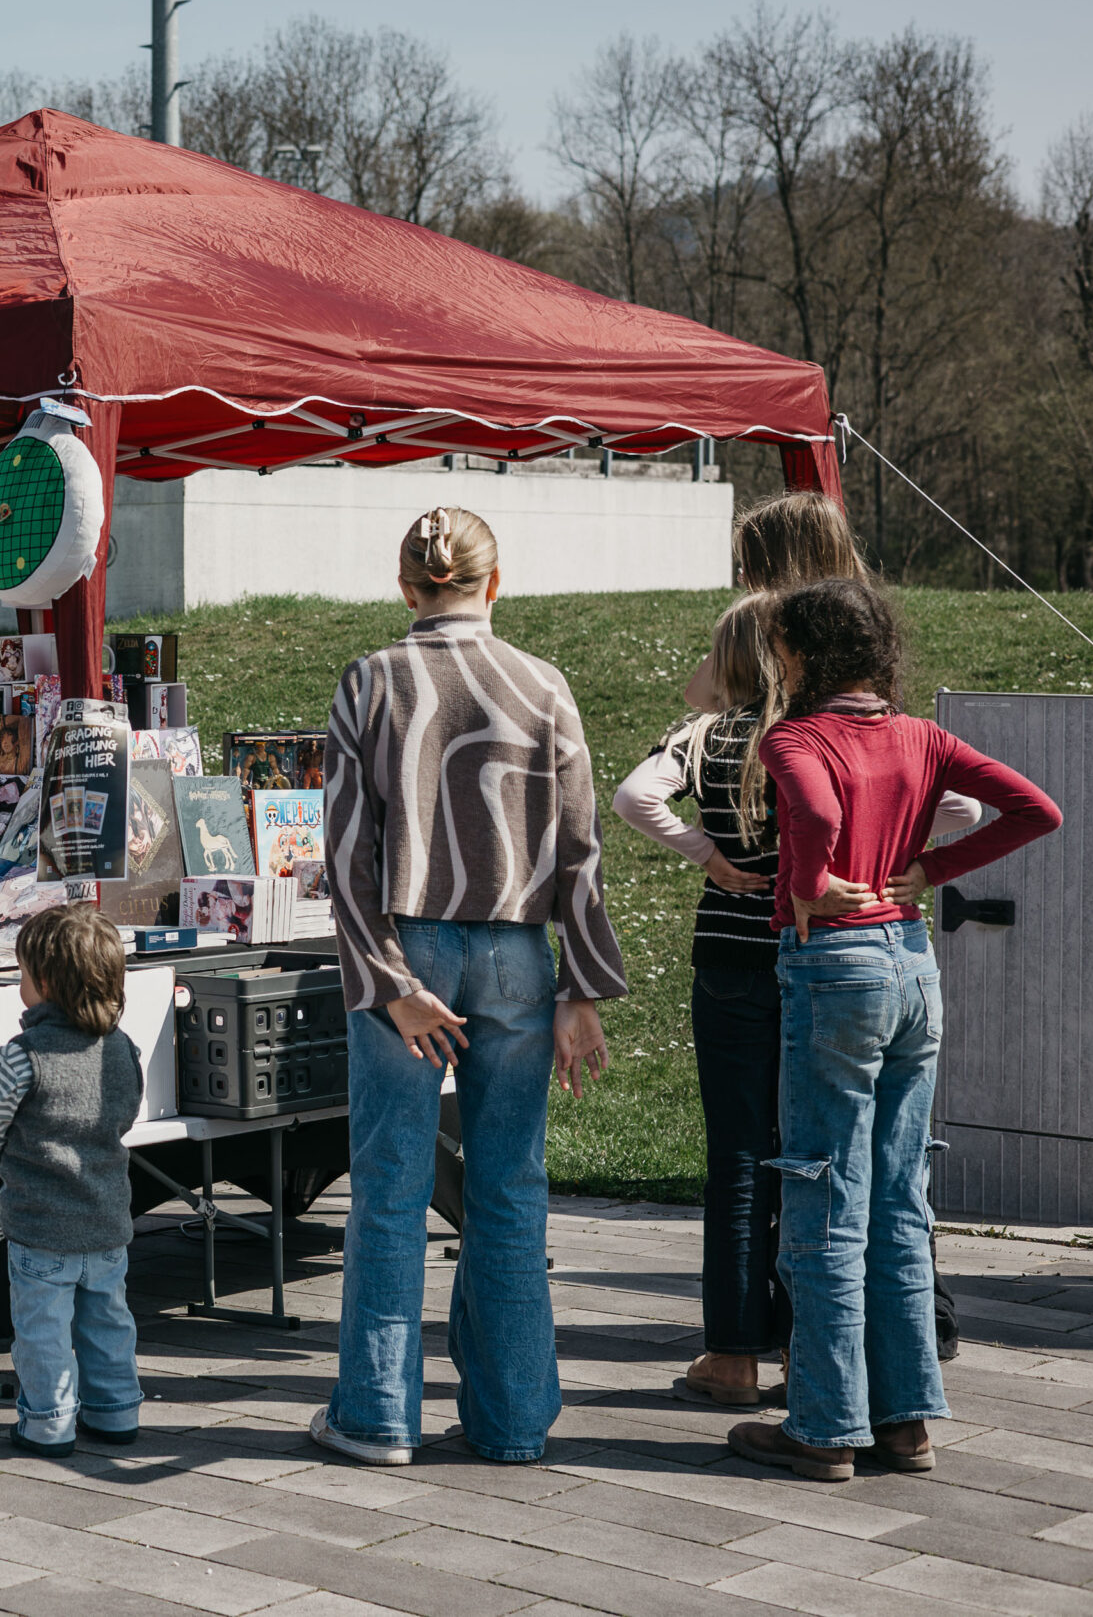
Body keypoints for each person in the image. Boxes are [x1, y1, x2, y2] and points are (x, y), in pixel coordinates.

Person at [727, 579, 1059, 1482]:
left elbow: (817, 812)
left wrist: (810, 880)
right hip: (913, 963)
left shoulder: (794, 736)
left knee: (825, 1195)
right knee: (900, 1200)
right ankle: (906, 1422)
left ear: (802, 654)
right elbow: (1038, 809)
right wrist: (934, 869)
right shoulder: (922, 736)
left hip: (835, 969)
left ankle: (824, 1426)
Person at [615, 595, 983, 1406]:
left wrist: (706, 854)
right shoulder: (825, 735)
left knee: (739, 1154)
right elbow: (961, 805)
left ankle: (732, 1353)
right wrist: (898, 855)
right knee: (819, 1155)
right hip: (828, 948)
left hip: (731, 956)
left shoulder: (708, 735)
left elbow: (634, 797)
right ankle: (807, 1348)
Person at [316, 506, 625, 1467]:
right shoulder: (544, 683)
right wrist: (581, 987)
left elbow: (345, 855)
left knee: (391, 1183)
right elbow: (580, 848)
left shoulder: (369, 680)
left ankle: (377, 1416)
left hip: (406, 946)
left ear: (406, 586)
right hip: (519, 953)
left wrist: (389, 982)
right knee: (510, 1184)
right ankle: (514, 1420)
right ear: (494, 583)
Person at [0, 903, 145, 1457]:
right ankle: (116, 1411)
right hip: (107, 1219)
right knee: (108, 1322)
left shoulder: (22, 1056)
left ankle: (47, 1423)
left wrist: (7, 1165)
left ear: (44, 983)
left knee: (42, 1330)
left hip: (40, 1225)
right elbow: (125, 1116)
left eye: (22, 973)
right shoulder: (124, 1049)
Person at [686, 490, 870, 713]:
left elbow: (697, 696)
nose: (742, 579)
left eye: (749, 568)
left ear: (780, 568)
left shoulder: (765, 620)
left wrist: (759, 607)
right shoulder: (866, 619)